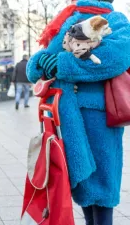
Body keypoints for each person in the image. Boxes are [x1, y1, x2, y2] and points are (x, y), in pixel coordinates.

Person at [26, 0, 130, 224]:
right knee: (83, 186)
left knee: (103, 186)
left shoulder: (115, 20)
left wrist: (62, 64)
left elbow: (115, 58)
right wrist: (40, 63)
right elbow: (42, 57)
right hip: (68, 116)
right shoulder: (68, 19)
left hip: (100, 117)